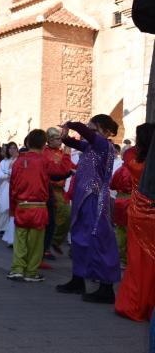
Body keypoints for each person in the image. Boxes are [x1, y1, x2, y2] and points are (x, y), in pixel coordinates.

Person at [56, 114, 120, 303]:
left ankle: (106, 288)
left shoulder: (103, 146)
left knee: (99, 239)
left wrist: (73, 124)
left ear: (106, 132)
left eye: (94, 129)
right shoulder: (90, 146)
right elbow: (71, 141)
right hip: (83, 198)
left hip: (95, 199)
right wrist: (65, 135)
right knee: (79, 238)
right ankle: (78, 279)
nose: (89, 132)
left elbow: (85, 133)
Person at [7, 129, 71, 282]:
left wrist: (13, 208)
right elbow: (63, 170)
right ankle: (31, 272)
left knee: (20, 240)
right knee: (36, 242)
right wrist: (67, 153)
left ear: (28, 142)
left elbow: (12, 187)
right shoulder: (44, 161)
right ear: (44, 144)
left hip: (22, 205)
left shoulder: (17, 162)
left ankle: (17, 269)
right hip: (39, 207)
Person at [115, 122, 155, 321]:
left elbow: (129, 151)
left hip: (137, 214)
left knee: (137, 262)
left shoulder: (132, 159)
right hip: (153, 215)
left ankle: (133, 304)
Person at [44, 127, 73, 257]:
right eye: (57, 139)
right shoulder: (45, 152)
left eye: (60, 139)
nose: (60, 141)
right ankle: (46, 247)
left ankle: (54, 241)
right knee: (51, 219)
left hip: (61, 191)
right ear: (49, 140)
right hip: (49, 189)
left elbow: (70, 166)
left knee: (67, 217)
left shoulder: (61, 153)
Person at [0, 141, 18, 245]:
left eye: (14, 148)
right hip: (4, 187)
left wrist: (6, 174)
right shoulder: (4, 162)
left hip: (14, 187)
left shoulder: (19, 161)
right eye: (10, 148)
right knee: (3, 207)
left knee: (12, 210)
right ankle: (3, 228)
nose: (12, 150)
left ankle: (10, 233)